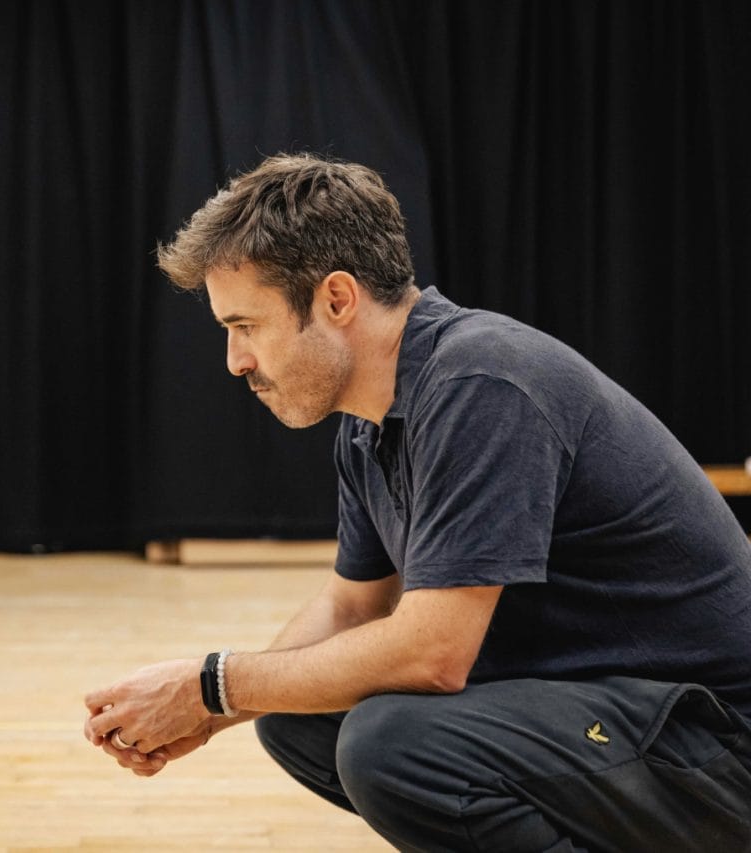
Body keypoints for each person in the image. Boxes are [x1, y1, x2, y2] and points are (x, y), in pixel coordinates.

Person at [83, 154, 751, 850]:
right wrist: (210, 709)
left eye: (246, 325)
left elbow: (435, 653)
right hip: (624, 714)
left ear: (336, 299)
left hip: (719, 745)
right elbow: (352, 607)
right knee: (294, 716)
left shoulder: (482, 383)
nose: (236, 360)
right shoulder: (371, 421)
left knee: (391, 743)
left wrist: (212, 683)